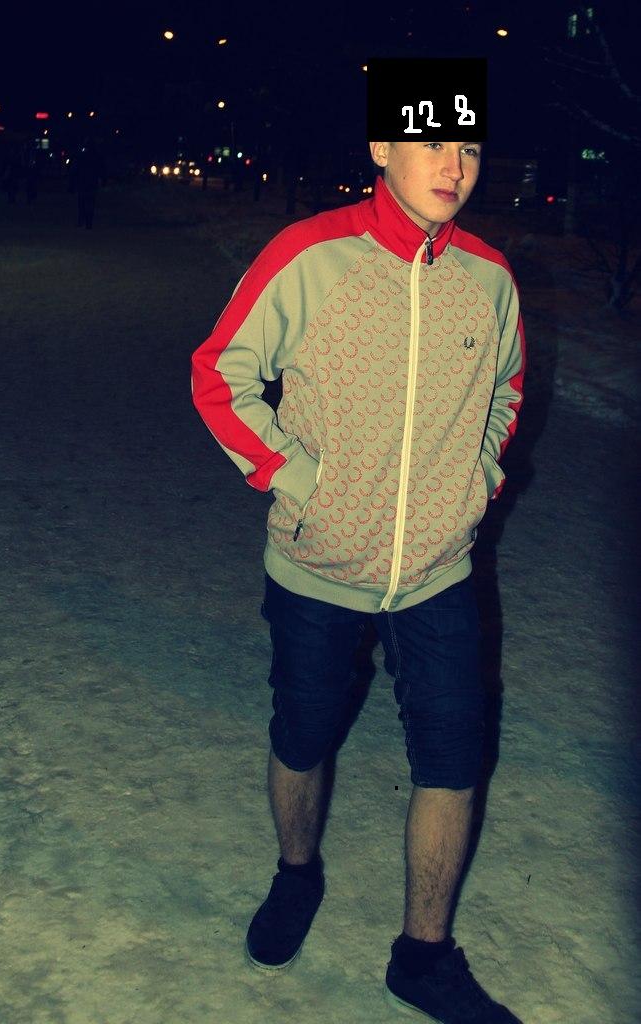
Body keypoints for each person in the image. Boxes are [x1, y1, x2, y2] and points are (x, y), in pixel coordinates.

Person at [191, 137, 525, 1023]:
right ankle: (296, 874)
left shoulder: (490, 278)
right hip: (318, 564)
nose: (455, 166)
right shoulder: (309, 255)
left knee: (454, 755)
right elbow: (218, 374)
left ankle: (423, 956)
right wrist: (298, 480)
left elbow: (506, 390)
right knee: (304, 735)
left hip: (439, 571)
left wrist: (476, 479)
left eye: (470, 146)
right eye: (432, 142)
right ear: (381, 145)